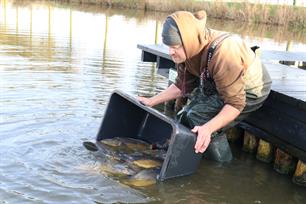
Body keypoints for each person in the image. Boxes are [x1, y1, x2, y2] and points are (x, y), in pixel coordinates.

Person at [138, 10, 272, 162]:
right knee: (184, 115)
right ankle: (181, 156)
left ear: (188, 41)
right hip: (218, 83)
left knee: (198, 118)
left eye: (175, 46)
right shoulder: (186, 52)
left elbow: (235, 103)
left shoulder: (224, 52)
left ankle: (221, 165)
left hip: (250, 89)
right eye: (168, 46)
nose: (170, 52)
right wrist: (151, 101)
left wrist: (208, 129)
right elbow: (181, 86)